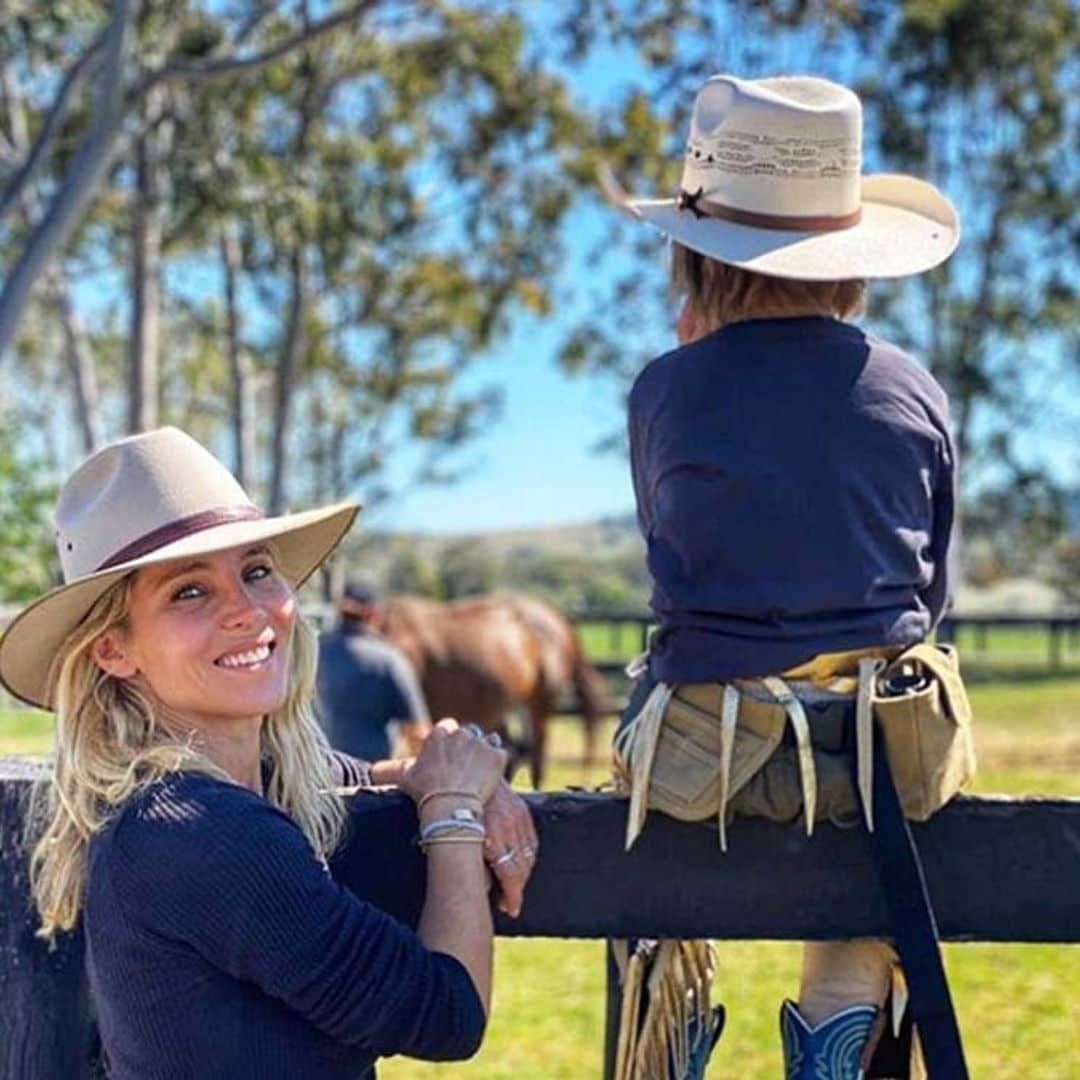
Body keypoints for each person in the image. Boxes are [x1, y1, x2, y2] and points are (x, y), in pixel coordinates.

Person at [604, 75, 967, 1079]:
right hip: (877, 757)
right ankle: (835, 1041)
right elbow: (926, 600)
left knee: (640, 747)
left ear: (699, 252)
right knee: (867, 801)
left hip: (708, 756)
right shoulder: (914, 389)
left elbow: (675, 569)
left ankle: (665, 1032)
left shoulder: (665, 389)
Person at [0, 427, 539, 1079]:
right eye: (189, 591)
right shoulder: (201, 832)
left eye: (257, 570)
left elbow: (352, 775)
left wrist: (451, 776)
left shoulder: (209, 788)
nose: (249, 609)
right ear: (113, 650)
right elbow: (447, 1014)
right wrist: (455, 814)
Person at [318, 579, 431, 761]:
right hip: (371, 774)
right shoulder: (389, 660)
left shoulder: (314, 652)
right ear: (373, 612)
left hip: (318, 770)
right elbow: (418, 732)